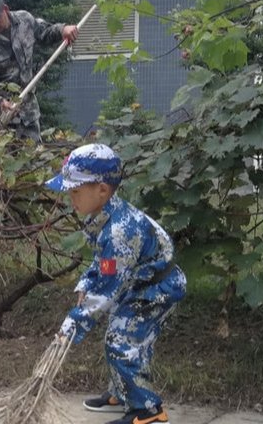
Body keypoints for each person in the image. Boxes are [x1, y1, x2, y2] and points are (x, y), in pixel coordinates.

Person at [45, 143, 186, 424]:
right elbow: (104, 262)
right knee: (121, 335)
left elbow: (107, 291)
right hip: (137, 282)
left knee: (122, 341)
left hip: (156, 288)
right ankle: (121, 393)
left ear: (102, 190)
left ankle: (147, 411)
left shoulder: (121, 231)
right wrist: (85, 284)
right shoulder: (104, 217)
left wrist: (73, 324)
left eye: (75, 191)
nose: (70, 199)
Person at [0, 0, 79, 141]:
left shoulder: (24, 20)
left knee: (33, 162)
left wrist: (62, 29)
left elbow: (45, 32)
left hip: (27, 116)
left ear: (5, 9)